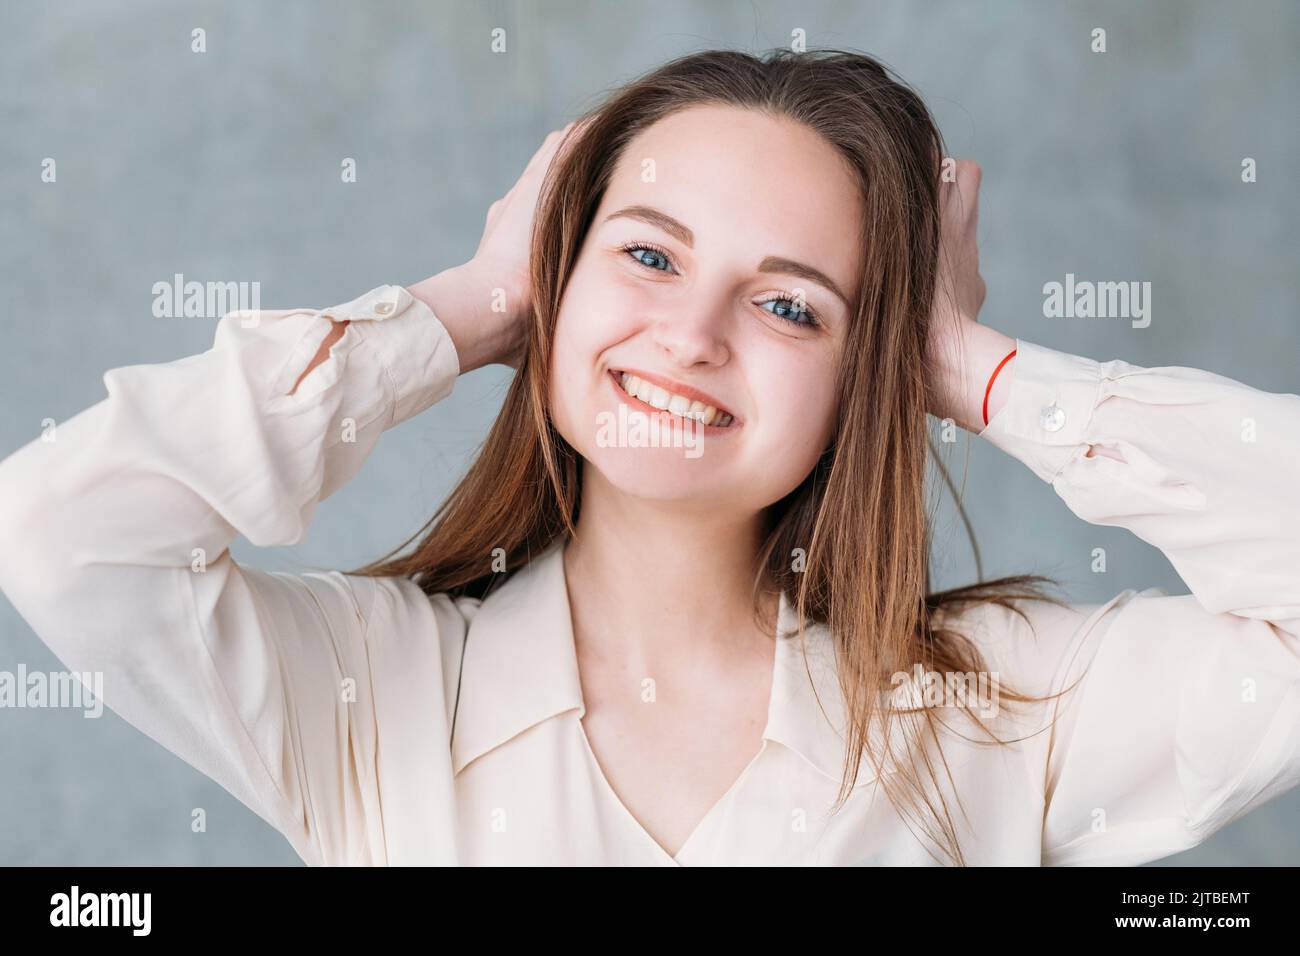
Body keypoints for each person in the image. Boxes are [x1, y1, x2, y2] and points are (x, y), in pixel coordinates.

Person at [1, 49, 1297, 867]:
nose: (690, 336)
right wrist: (459, 313)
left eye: (791, 304)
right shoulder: (373, 692)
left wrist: (967, 366)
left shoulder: (1010, 710)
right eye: (648, 254)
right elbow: (60, 530)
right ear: (557, 280)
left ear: (873, 367)